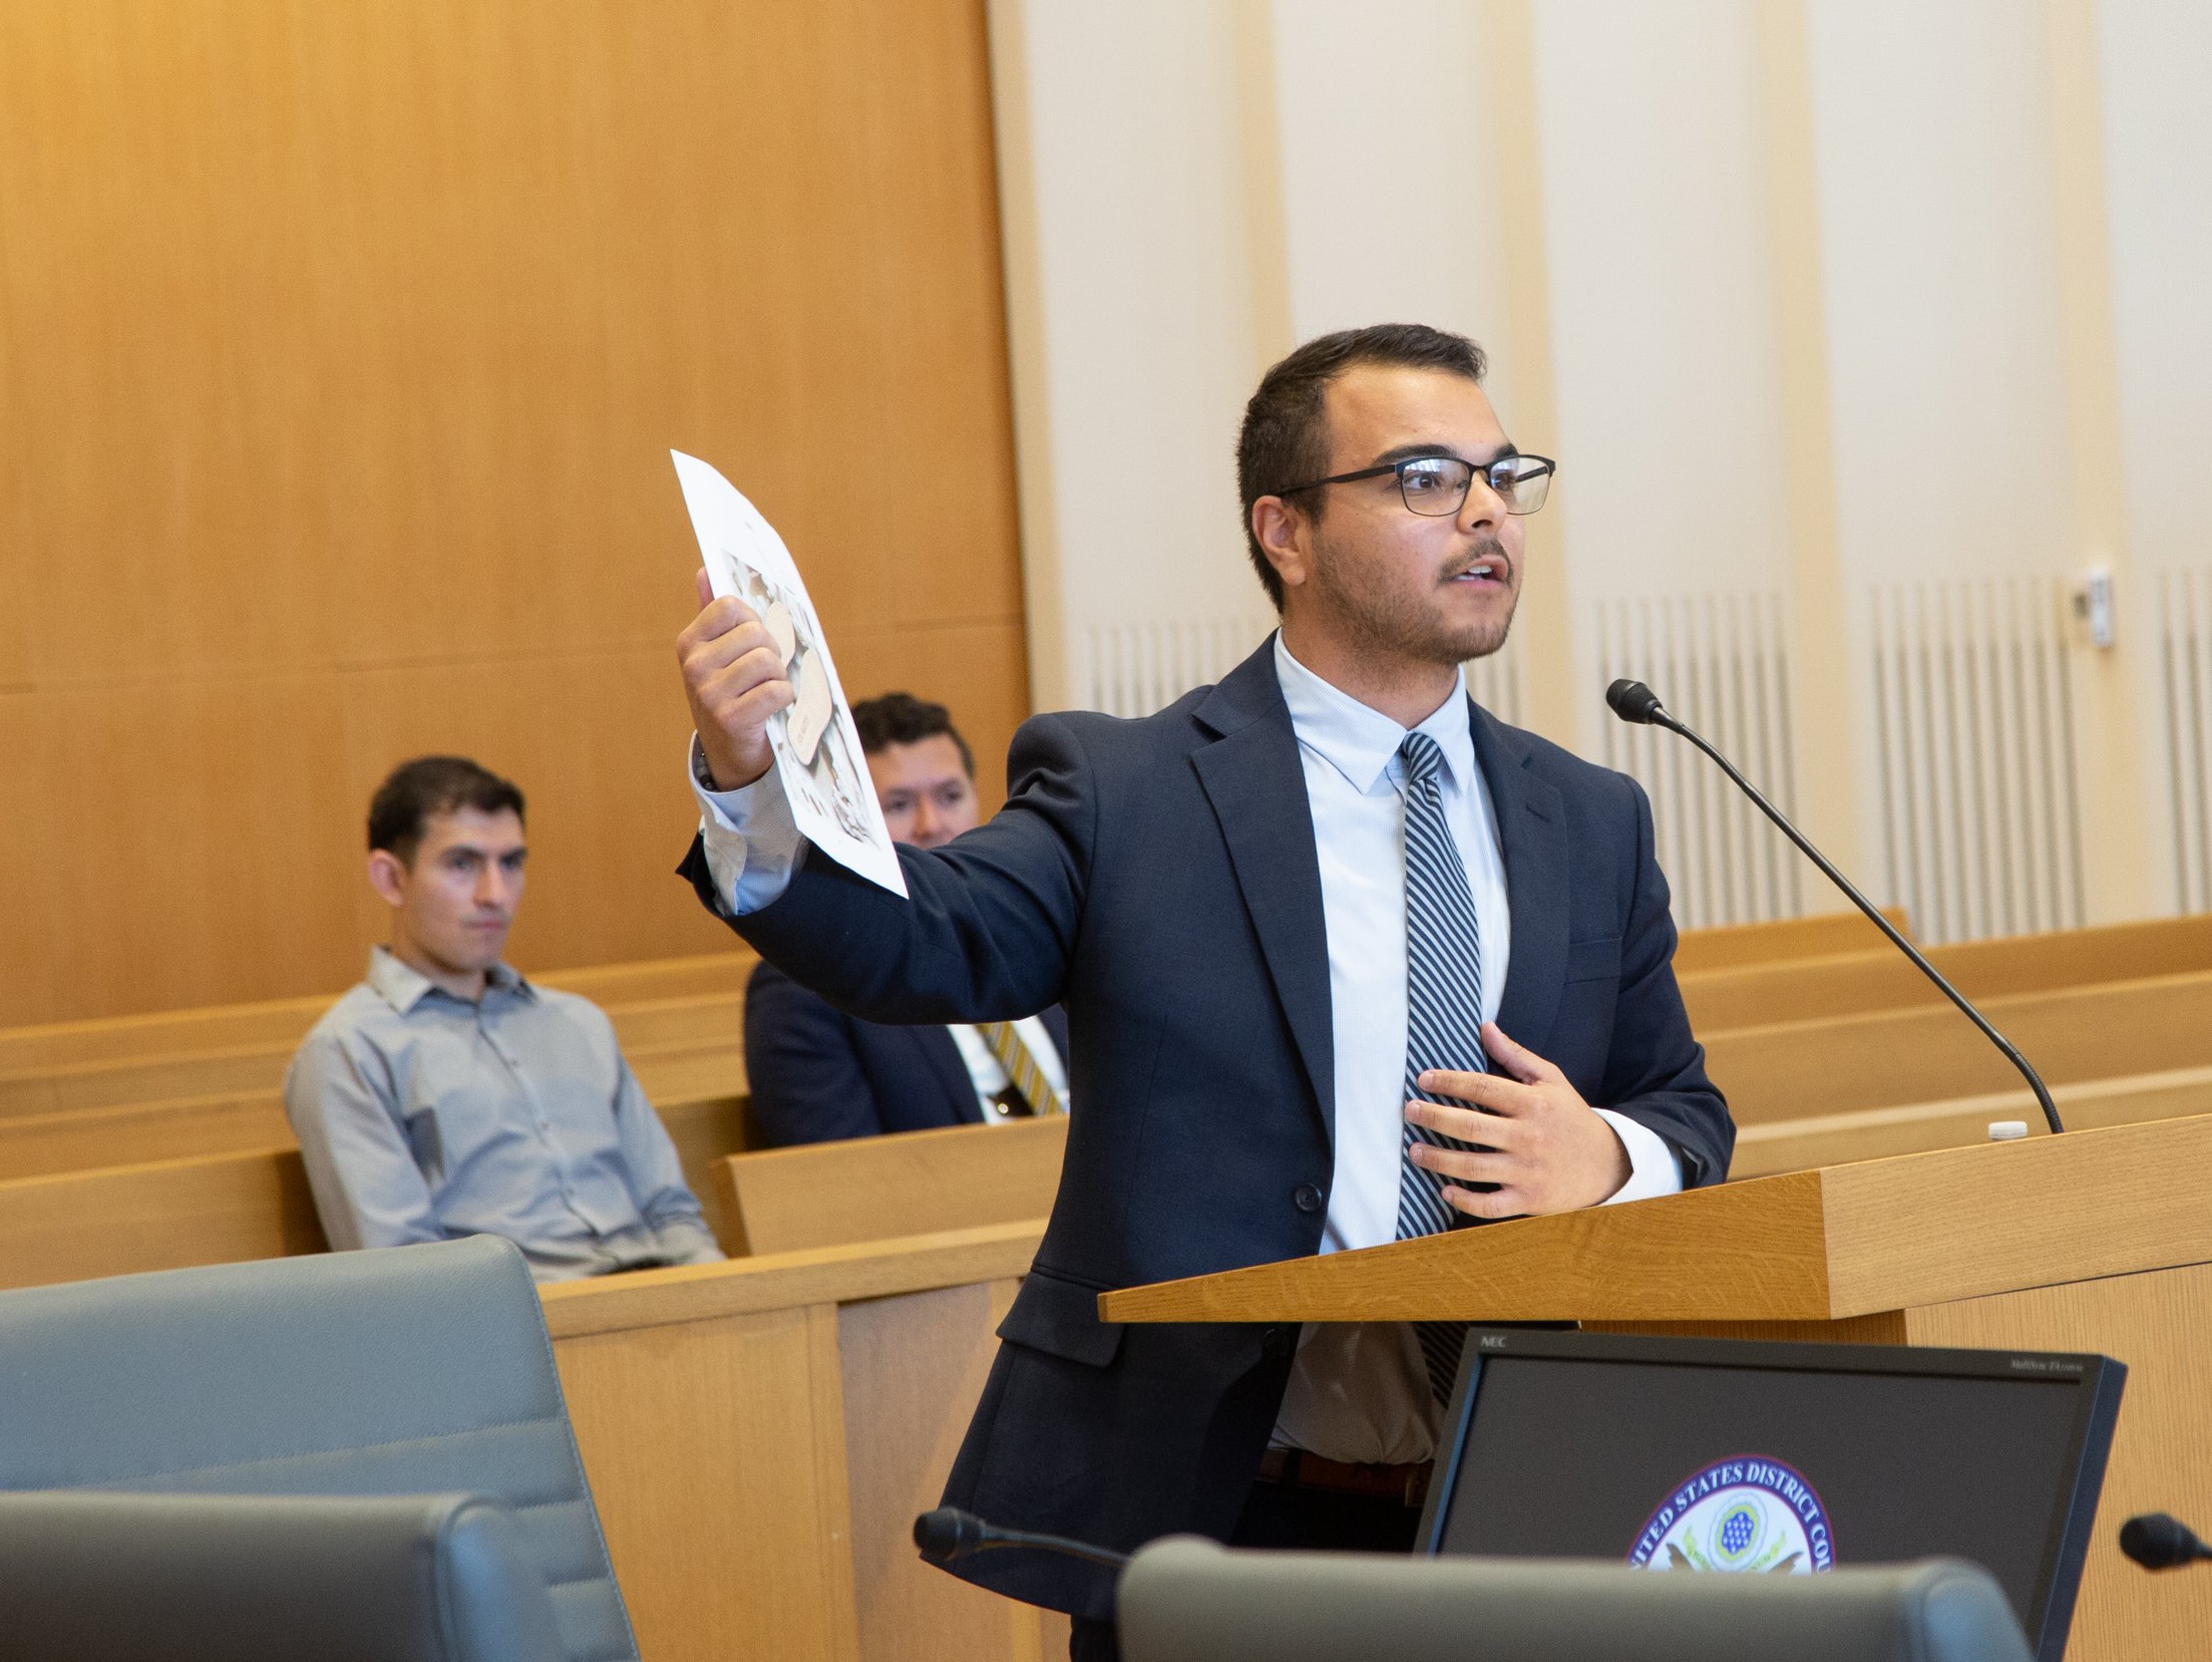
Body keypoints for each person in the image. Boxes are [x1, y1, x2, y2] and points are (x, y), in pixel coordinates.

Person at [673, 324, 1733, 1655]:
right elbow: (921, 940)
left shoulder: (1590, 812)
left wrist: (1608, 1151)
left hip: (1522, 1501)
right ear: (1284, 531)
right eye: (1422, 479)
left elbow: (1684, 1104)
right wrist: (749, 781)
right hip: (1220, 1517)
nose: (1482, 514)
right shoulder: (1130, 787)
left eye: (1501, 474)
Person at [285, 756, 723, 1280]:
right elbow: (405, 1274)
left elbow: (670, 1211)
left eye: (511, 863)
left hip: (660, 1301)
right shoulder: (349, 1050)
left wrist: (719, 1294)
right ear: (391, 879)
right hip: (524, 1327)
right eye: (462, 864)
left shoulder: (576, 1022)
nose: (495, 894)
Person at [743, 691, 1072, 1146]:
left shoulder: (1040, 929)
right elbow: (837, 1184)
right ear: (847, 818)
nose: (932, 823)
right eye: (898, 804)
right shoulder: (802, 985)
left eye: (950, 796)